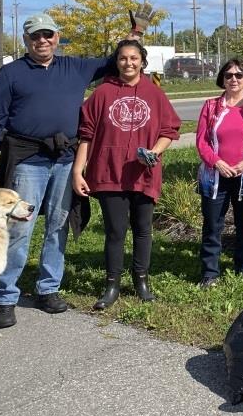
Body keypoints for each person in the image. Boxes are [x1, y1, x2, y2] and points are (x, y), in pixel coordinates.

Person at [0, 9, 148, 328]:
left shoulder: (74, 67)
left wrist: (135, 33)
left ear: (57, 37)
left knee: (58, 225)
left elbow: (114, 60)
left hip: (66, 159)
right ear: (26, 39)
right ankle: (6, 296)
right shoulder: (11, 73)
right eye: (35, 36)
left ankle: (48, 288)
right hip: (28, 159)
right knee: (20, 228)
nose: (42, 40)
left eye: (48, 34)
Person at [71, 40, 181, 310]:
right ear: (116, 61)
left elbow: (169, 130)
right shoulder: (102, 93)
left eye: (134, 58)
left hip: (143, 172)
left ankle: (141, 280)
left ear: (142, 61)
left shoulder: (154, 93)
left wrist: (154, 152)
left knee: (143, 229)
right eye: (123, 58)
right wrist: (78, 170)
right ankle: (112, 284)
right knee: (115, 231)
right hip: (110, 171)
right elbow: (86, 135)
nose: (128, 63)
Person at [195, 58, 243, 287]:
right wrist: (217, 163)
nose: (234, 79)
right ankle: (210, 272)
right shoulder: (210, 106)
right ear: (222, 80)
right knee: (213, 225)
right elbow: (202, 141)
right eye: (228, 75)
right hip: (215, 176)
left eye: (239, 75)